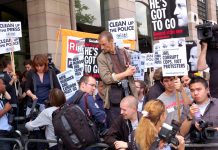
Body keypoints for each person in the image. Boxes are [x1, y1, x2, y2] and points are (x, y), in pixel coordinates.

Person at [97, 31, 138, 127]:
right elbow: (106, 78)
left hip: (128, 93)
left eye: (104, 44)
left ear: (111, 41)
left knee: (131, 125)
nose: (102, 47)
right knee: (116, 126)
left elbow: (129, 69)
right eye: (100, 45)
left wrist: (131, 69)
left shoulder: (124, 52)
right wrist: (126, 73)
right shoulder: (101, 57)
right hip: (114, 98)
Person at [180, 76, 218, 149]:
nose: (195, 93)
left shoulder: (217, 105)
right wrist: (190, 116)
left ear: (207, 90)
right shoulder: (187, 107)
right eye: (192, 90)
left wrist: (213, 130)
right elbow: (182, 133)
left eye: (198, 89)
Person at [0, 78, 13, 150]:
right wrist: (5, 109)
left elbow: (9, 98)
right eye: (3, 84)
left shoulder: (1, 99)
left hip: (6, 133)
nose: (5, 85)